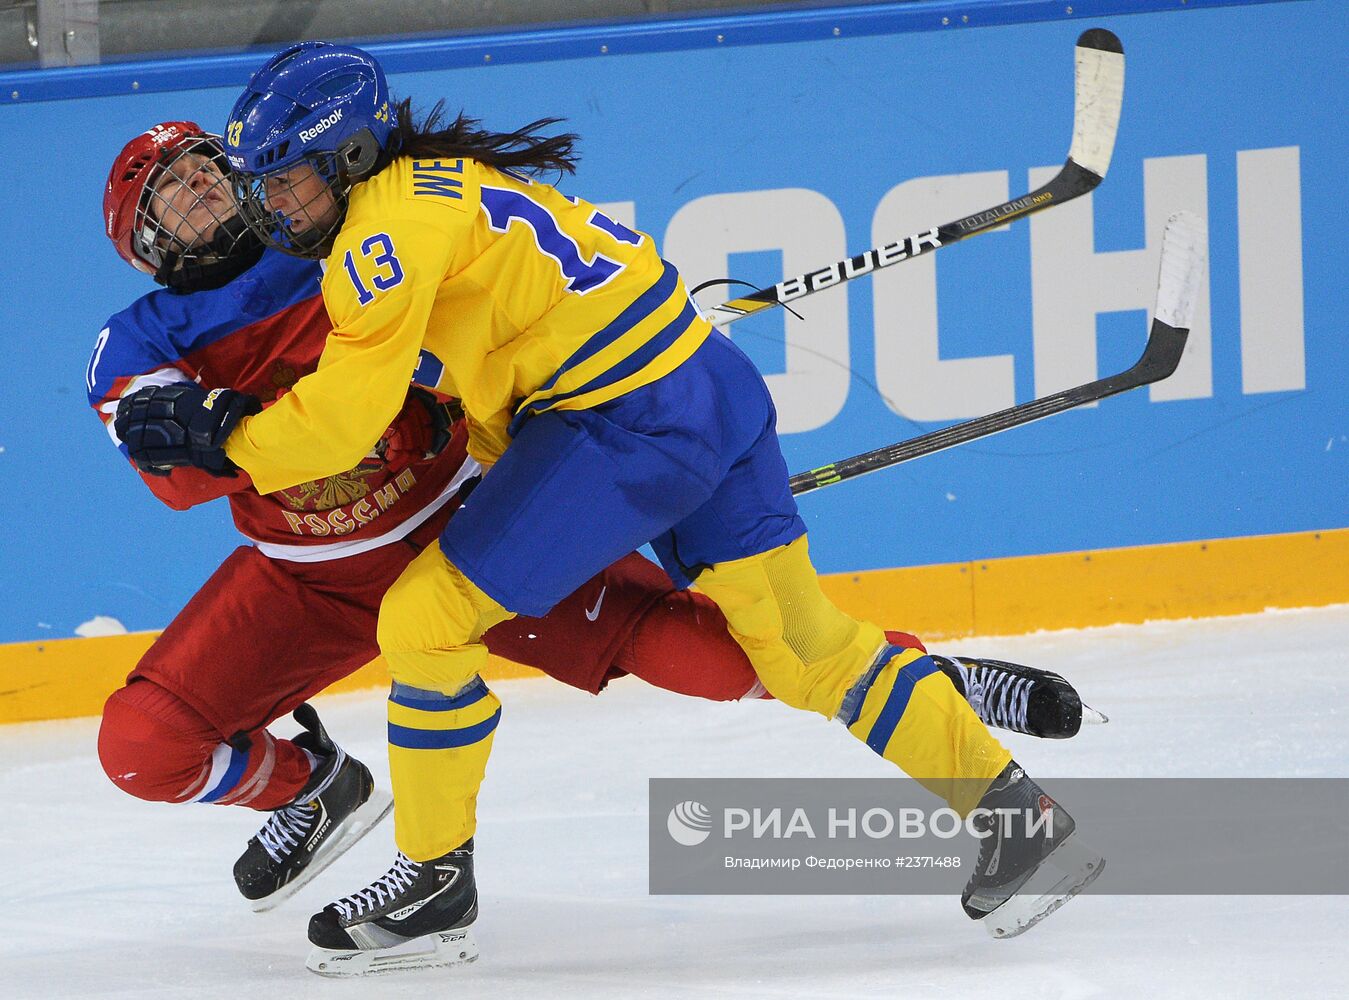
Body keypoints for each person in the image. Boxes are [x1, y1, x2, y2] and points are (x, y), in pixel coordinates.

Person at [115, 45, 1103, 975]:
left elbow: (336, 427)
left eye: (285, 179)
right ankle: (1019, 821)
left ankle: (432, 888)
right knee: (803, 649)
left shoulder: (380, 237)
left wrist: (223, 438)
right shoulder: (440, 181)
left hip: (622, 425)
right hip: (701, 383)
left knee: (423, 620)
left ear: (350, 153)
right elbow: (507, 337)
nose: (270, 203)